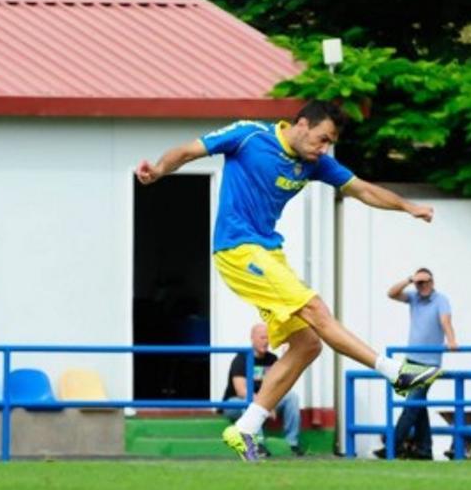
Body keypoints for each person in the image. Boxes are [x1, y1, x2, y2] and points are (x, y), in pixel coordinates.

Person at [136, 100, 443, 461]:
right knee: (315, 308)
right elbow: (188, 151)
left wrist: (409, 207)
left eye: (329, 143)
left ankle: (246, 427)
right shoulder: (249, 136)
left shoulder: (315, 163)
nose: (324, 148)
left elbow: (363, 189)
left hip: (268, 252)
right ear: (300, 124)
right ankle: (396, 374)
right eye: (322, 139)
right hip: (238, 250)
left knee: (308, 344)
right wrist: (158, 171)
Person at [374, 268, 458, 459]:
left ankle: (392, 446)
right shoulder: (414, 298)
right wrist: (410, 279)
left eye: (426, 282)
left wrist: (452, 340)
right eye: (419, 283)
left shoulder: (441, 300)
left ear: (433, 282)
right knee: (417, 406)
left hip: (430, 363)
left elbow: (446, 321)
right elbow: (391, 293)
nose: (423, 286)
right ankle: (424, 449)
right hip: (411, 360)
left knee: (411, 406)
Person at [223, 323, 303, 457]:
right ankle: (257, 444)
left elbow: (279, 385)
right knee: (248, 402)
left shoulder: (272, 359)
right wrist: (265, 405)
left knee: (292, 397)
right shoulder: (241, 358)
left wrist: (268, 403)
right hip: (235, 403)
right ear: (252, 338)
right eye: (262, 338)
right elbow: (241, 390)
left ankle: (292, 443)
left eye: (268, 338)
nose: (266, 342)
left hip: (264, 401)